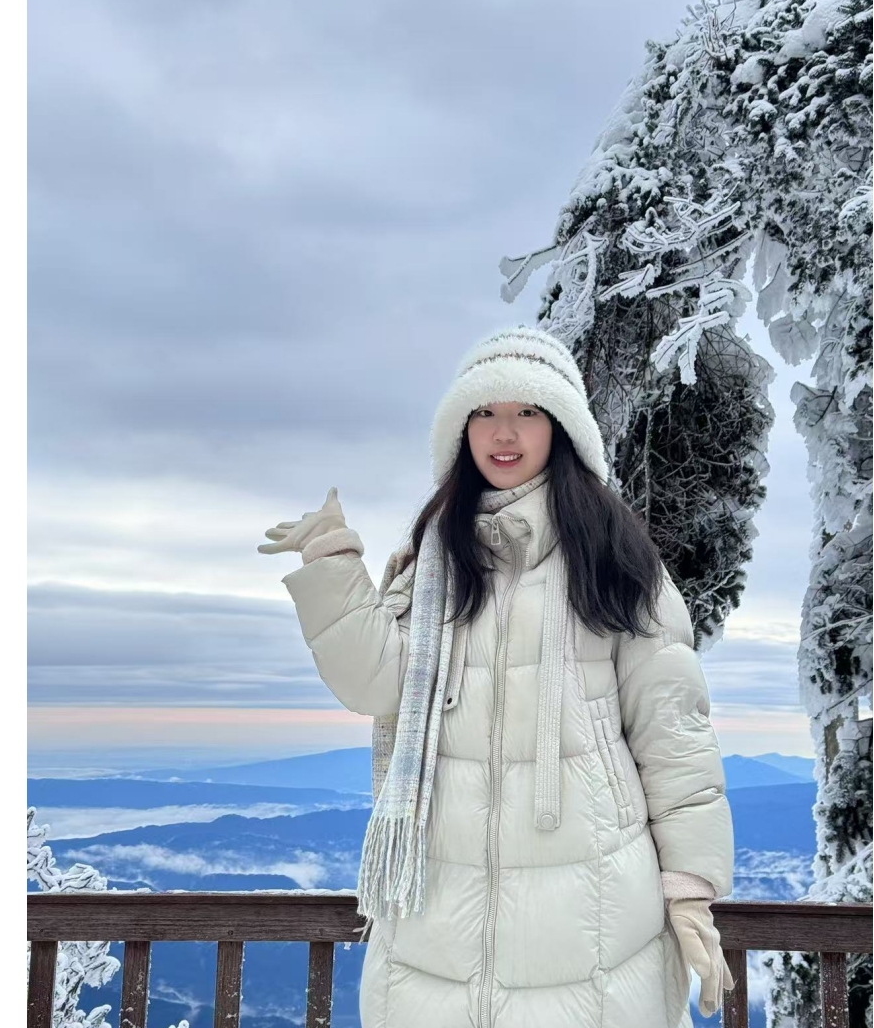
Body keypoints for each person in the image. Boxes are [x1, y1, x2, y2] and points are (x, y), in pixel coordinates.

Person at [258, 325, 735, 1028]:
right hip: (438, 907)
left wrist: (690, 887)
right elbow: (376, 685)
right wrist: (332, 561)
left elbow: (673, 731)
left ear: (561, 428)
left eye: (527, 412)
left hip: (592, 909)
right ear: (460, 430)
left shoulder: (613, 556)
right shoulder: (433, 556)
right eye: (484, 412)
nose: (503, 432)